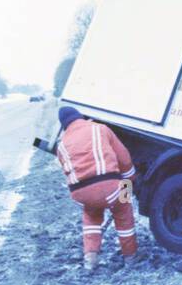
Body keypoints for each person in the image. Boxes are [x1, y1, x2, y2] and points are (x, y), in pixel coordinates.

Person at [54, 105, 137, 269]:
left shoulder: (61, 145)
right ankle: (131, 256)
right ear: (80, 117)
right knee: (124, 210)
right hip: (110, 187)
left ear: (64, 125)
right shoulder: (100, 129)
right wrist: (130, 179)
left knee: (91, 216)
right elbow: (124, 158)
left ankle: (90, 259)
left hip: (81, 195)